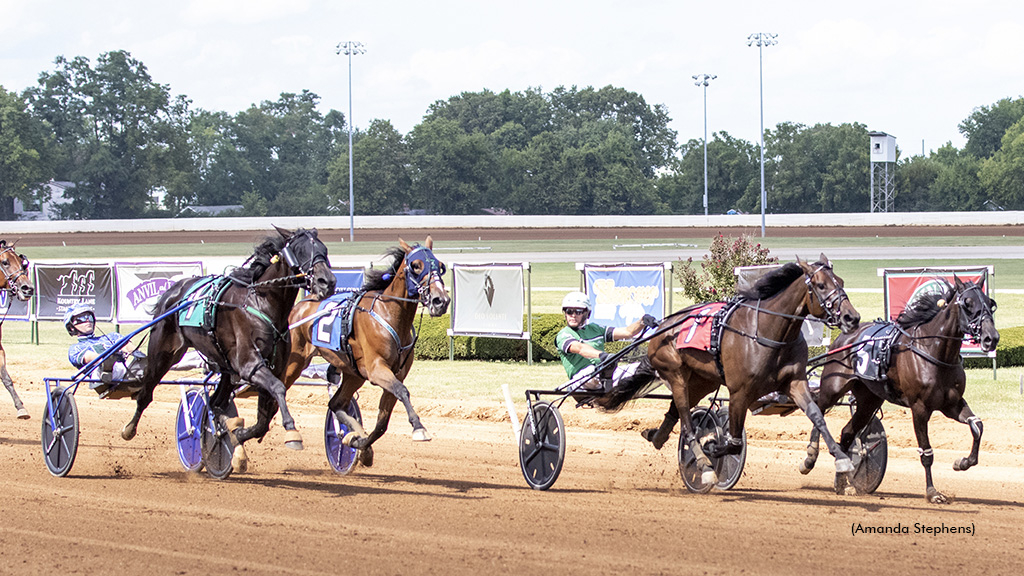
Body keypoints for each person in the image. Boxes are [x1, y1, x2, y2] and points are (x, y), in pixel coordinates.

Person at [555, 291, 658, 394]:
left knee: (652, 367)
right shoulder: (563, 335)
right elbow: (580, 348)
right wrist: (602, 355)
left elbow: (627, 332)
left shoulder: (595, 329)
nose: (573, 315)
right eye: (569, 311)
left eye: (578, 311)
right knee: (592, 370)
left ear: (586, 313)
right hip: (581, 379)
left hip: (604, 373)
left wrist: (642, 322)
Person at [64, 302, 144, 393]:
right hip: (99, 375)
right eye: (81, 318)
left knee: (132, 363)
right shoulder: (75, 349)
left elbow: (127, 346)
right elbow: (91, 357)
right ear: (71, 328)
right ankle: (107, 366)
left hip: (124, 369)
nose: (87, 320)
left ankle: (144, 367)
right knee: (114, 366)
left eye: (89, 317)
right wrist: (108, 359)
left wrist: (136, 353)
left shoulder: (112, 336)